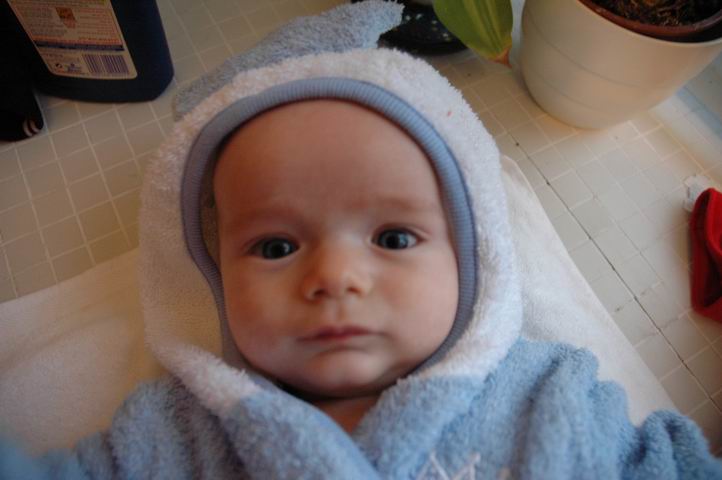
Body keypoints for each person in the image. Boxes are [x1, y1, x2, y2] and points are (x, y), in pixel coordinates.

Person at [1, 2, 721, 478]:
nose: (336, 276)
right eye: (276, 247)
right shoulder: (173, 438)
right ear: (211, 274)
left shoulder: (548, 396)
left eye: (394, 236)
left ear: (474, 257)